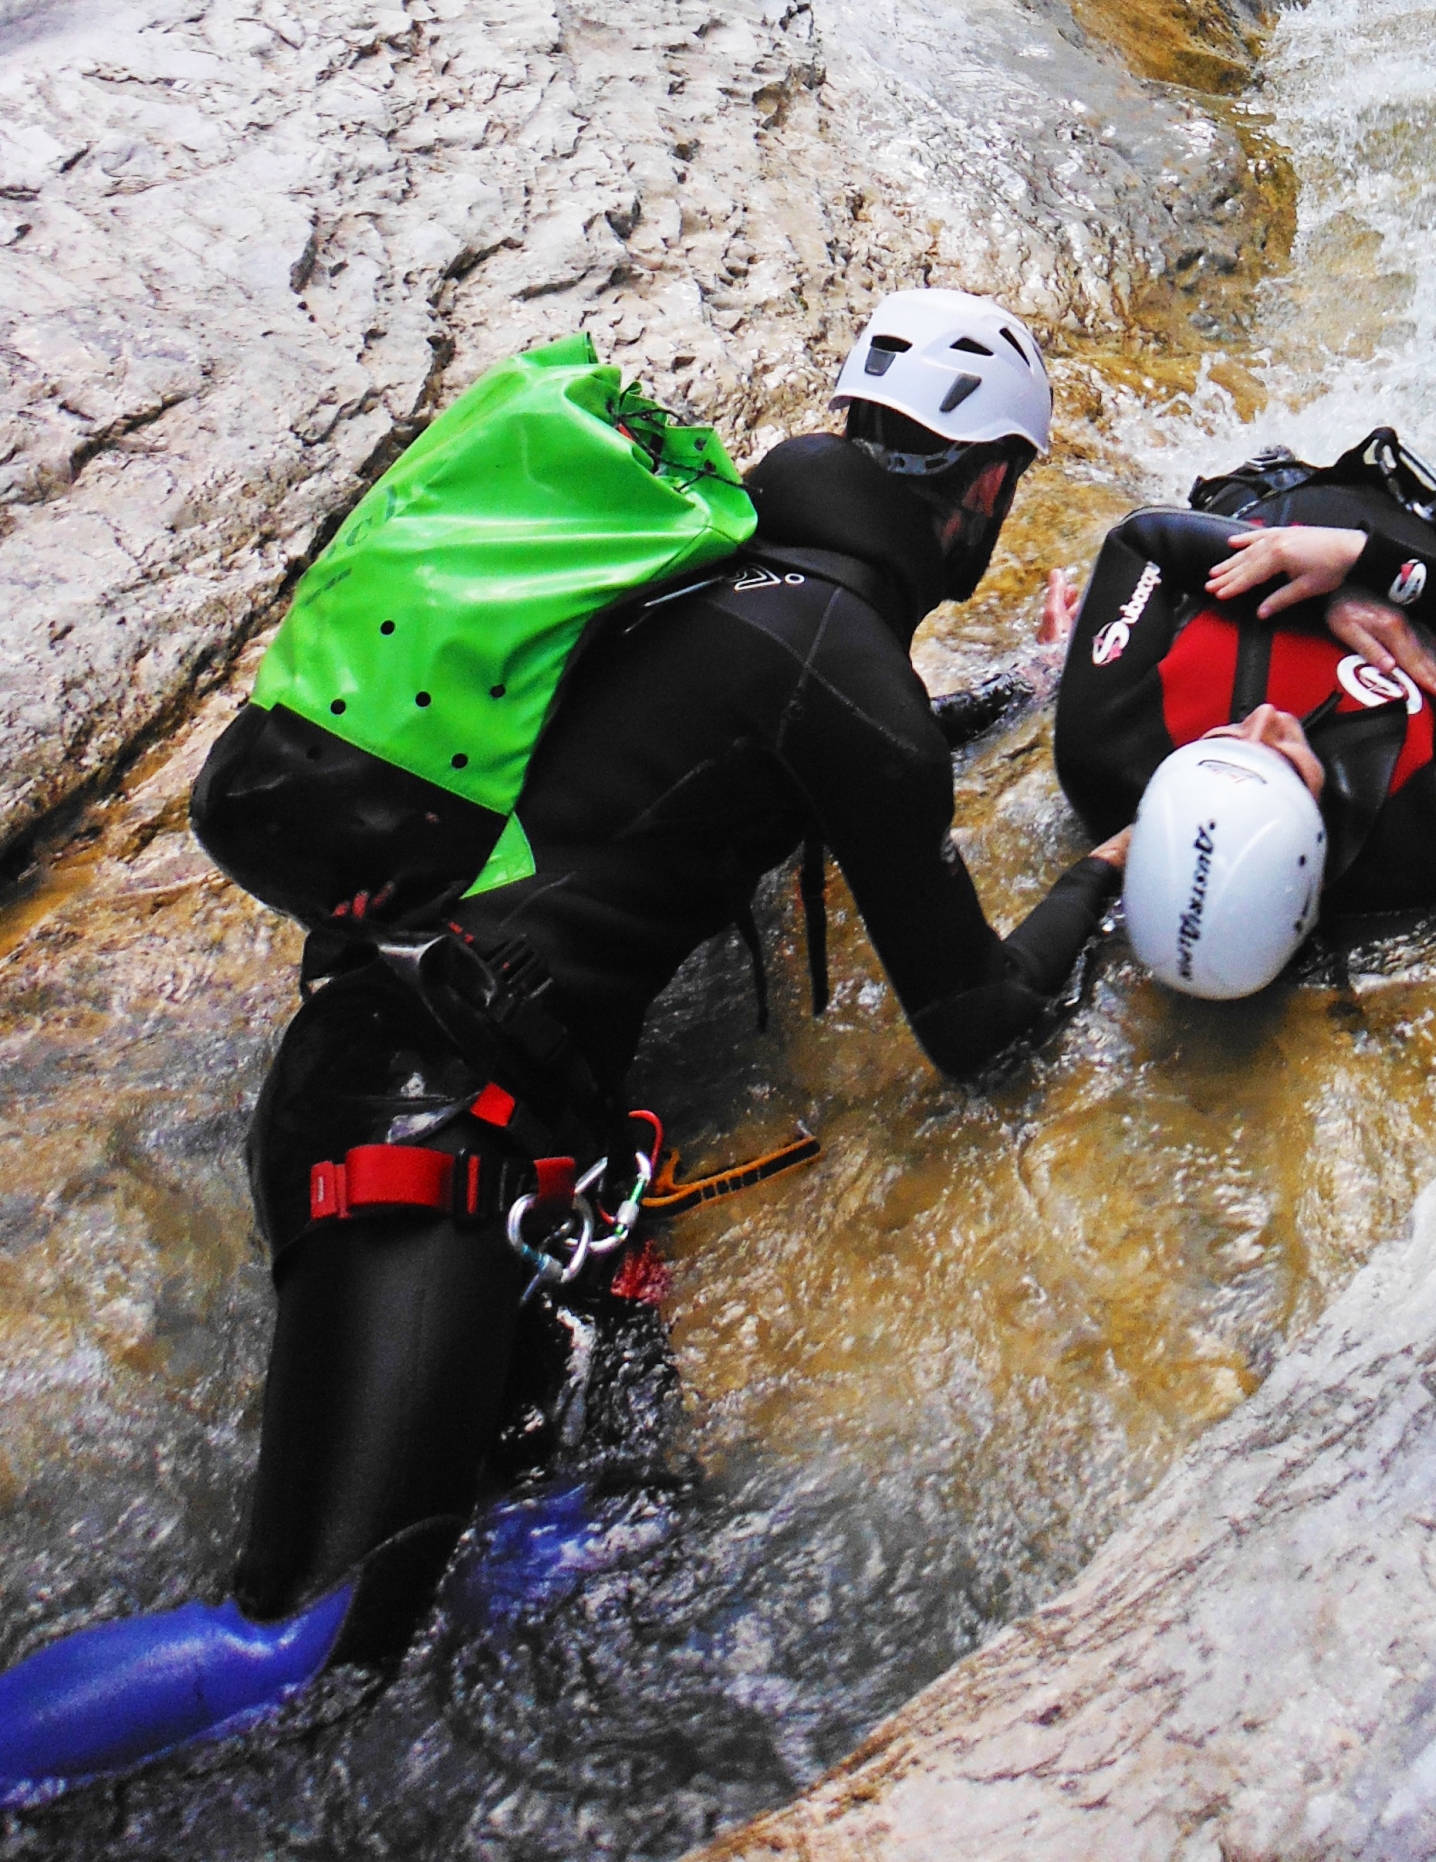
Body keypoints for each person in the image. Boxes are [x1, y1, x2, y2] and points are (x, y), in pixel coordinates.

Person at [0, 289, 1124, 1798]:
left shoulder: (708, 560)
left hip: (442, 1102)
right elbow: (980, 1023)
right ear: (987, 488)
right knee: (313, 1642)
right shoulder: (841, 668)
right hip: (421, 1134)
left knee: (618, 1523)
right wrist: (1106, 876)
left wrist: (1022, 691)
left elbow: (801, 746)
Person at [1045, 431, 1436, 997]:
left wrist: (1321, 586)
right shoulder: (1427, 845)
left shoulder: (1102, 753)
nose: (1265, 719)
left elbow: (1143, 540)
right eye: (1283, 763)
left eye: (1219, 744)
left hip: (1255, 509)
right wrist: (1372, 565)